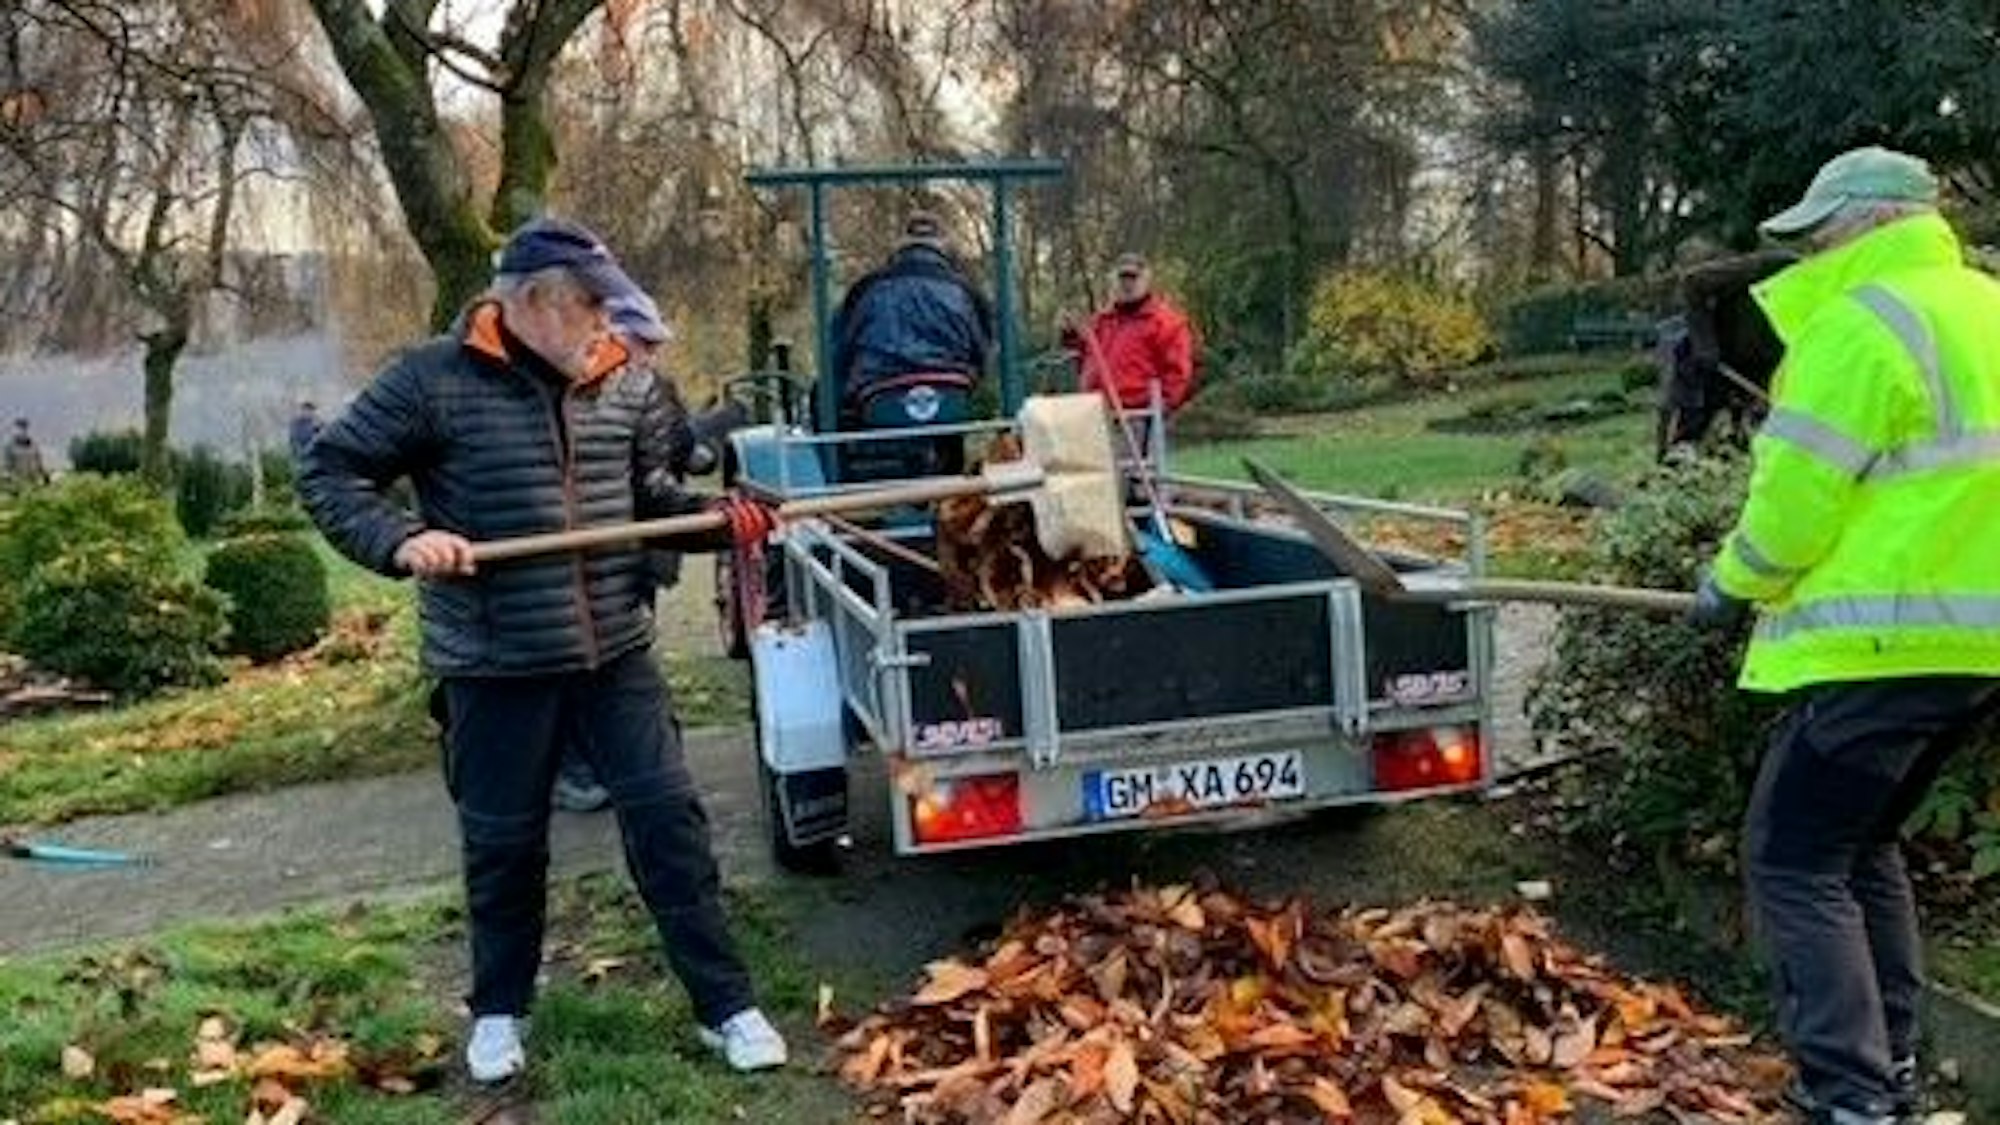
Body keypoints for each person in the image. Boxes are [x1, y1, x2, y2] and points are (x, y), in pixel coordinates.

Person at [299, 217, 788, 1084]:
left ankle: (726, 1005)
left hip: (615, 651)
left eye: (608, 308)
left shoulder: (626, 383)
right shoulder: (430, 381)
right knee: (504, 844)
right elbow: (332, 472)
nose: (605, 323)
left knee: (670, 819)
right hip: (494, 661)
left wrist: (723, 523)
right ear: (527, 302)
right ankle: (498, 1010)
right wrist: (403, 540)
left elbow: (651, 495)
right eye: (589, 307)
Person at [1690, 146, 2000, 1125]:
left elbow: (1790, 509)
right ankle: (1889, 1077)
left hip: (1878, 649)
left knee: (1788, 859)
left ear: (1868, 223)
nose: (1809, 248)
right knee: (1860, 850)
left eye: (1819, 229)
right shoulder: (1985, 309)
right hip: (1972, 654)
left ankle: (1848, 1100)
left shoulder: (1857, 328)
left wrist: (1728, 582)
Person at [547, 292, 688, 814]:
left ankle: (627, 769)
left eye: (655, 345)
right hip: (564, 584)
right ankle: (577, 769)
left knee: (625, 671)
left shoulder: (648, 388)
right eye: (643, 342)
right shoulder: (560, 394)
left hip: (627, 564)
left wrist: (714, 512)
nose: (651, 354)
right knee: (571, 678)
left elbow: (661, 476)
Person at [828, 211, 992, 479]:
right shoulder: (965, 291)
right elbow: (983, 350)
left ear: (900, 245)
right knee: (949, 422)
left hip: (880, 396)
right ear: (942, 245)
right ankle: (948, 478)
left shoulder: (868, 289)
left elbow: (841, 350)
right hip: (949, 397)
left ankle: (847, 482)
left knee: (828, 401)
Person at [1063, 253, 1198, 417]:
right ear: (1113, 280)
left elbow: (1178, 371)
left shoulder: (1166, 322)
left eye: (1133, 277)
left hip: (1140, 414)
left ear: (1146, 279)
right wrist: (1071, 335)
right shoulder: (1101, 321)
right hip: (1096, 413)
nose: (1127, 284)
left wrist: (1164, 406)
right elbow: (1085, 357)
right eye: (1122, 278)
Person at [4, 417, 49, 486]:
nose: (21, 431)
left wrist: (45, 477)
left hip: (32, 482)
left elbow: (39, 463)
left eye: (23, 428)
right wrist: (8, 478)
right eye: (19, 428)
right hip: (17, 482)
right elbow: (8, 466)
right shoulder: (10, 447)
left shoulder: (33, 445)